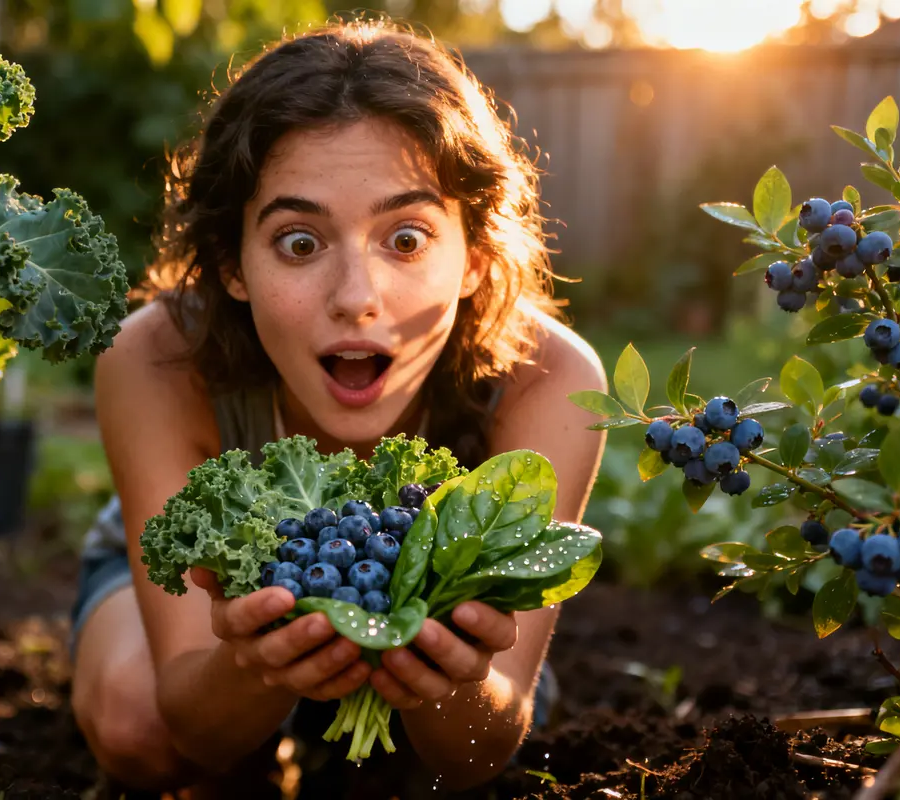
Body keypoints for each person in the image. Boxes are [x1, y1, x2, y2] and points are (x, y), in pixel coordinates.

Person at [68, 16, 608, 800]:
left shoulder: (548, 379)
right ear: (232, 265)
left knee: (420, 775)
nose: (357, 299)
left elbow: (480, 747)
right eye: (298, 242)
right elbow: (189, 714)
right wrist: (249, 669)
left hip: (426, 645)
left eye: (408, 239)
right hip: (207, 622)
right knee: (137, 728)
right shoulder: (155, 359)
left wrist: (449, 683)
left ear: (475, 260)